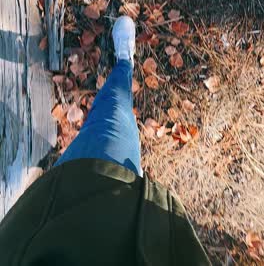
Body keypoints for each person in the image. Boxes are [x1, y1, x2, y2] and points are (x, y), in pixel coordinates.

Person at [0, 16, 210, 265]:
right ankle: (124, 64)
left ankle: (123, 66)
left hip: (45, 219)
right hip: (116, 203)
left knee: (106, 118)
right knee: (113, 106)